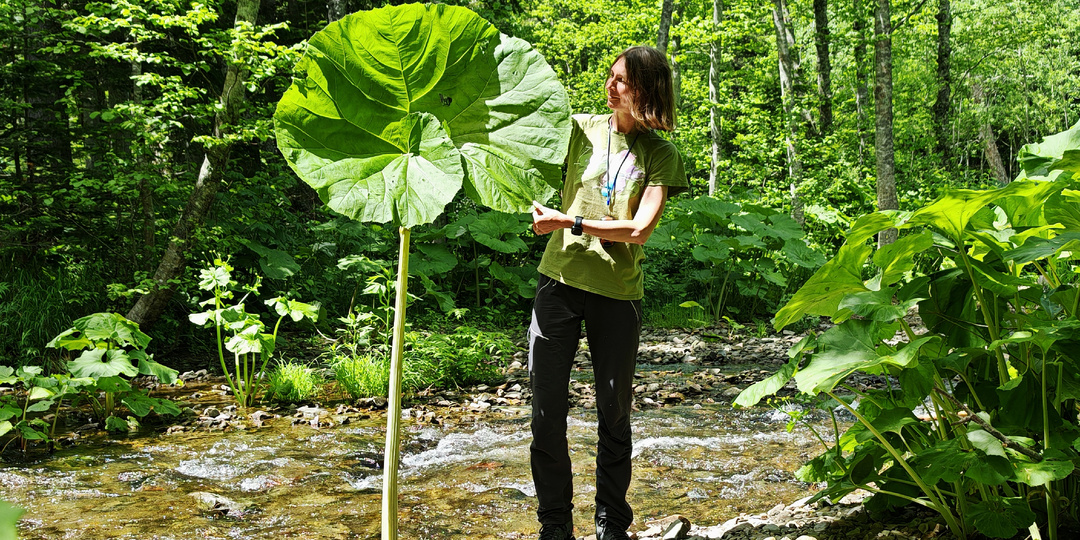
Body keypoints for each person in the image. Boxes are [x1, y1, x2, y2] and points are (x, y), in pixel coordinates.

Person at [527, 45, 688, 540]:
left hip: (617, 295)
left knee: (613, 414)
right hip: (557, 283)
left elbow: (638, 230)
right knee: (546, 413)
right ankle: (555, 526)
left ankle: (610, 525)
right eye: (610, 77)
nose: (610, 86)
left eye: (622, 80)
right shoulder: (580, 128)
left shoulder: (661, 154)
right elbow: (519, 133)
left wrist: (569, 220)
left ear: (646, 89)